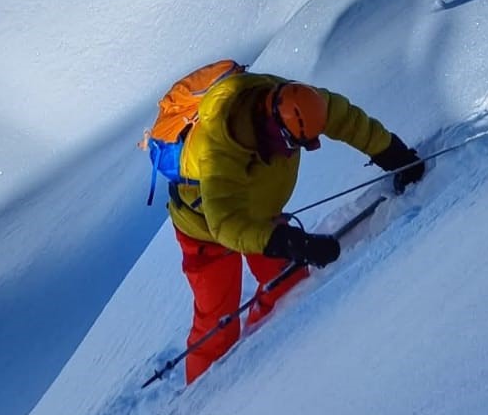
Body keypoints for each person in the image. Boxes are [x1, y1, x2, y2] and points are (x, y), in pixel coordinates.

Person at [167, 70, 425, 383]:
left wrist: (393, 154)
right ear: (271, 122)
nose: (295, 150)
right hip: (204, 230)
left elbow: (347, 120)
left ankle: (264, 355)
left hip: (261, 215)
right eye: (293, 143)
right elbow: (226, 225)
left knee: (288, 287)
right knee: (216, 320)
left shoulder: (298, 102)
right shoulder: (220, 146)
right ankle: (201, 401)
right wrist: (289, 241)